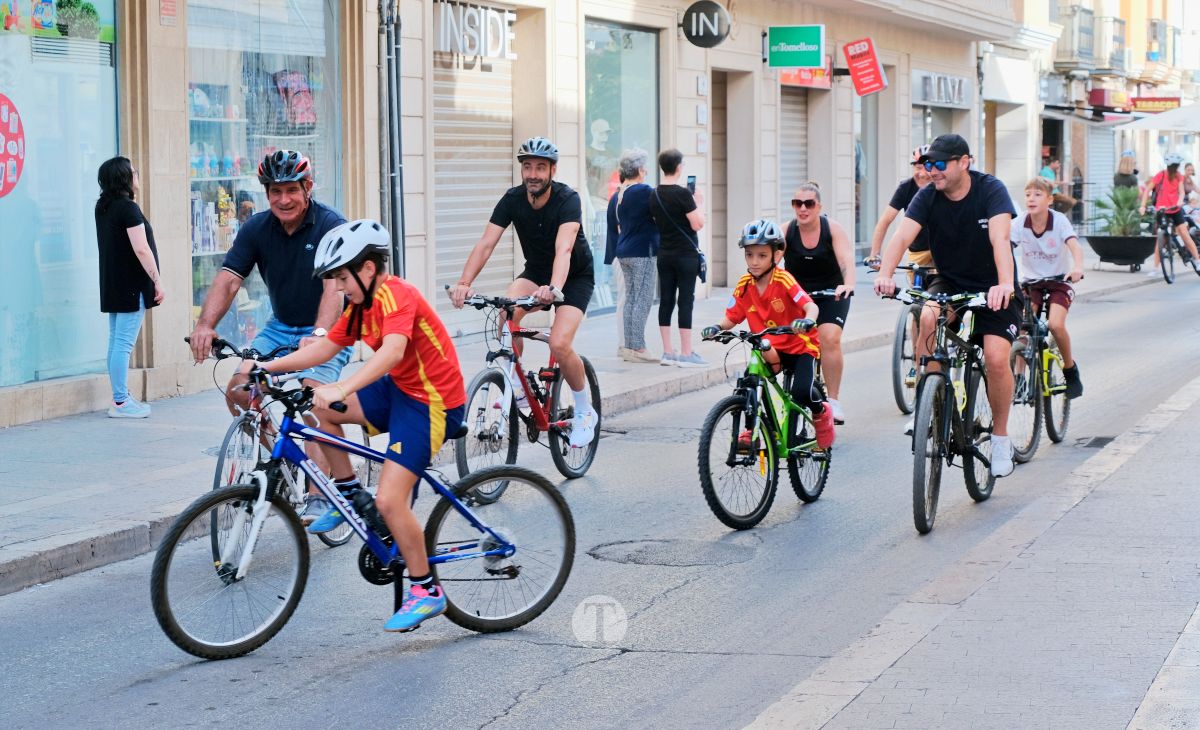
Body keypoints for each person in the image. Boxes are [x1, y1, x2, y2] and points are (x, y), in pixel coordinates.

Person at [256, 219, 466, 632]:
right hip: (401, 391)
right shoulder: (360, 306)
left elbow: (391, 351)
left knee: (390, 501)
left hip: (433, 402)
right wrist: (266, 368)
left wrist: (343, 385)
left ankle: (426, 590)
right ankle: (351, 496)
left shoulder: (397, 295)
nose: (336, 287)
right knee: (321, 412)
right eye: (332, 278)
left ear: (367, 269)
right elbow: (324, 348)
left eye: (340, 276)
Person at [188, 149, 351, 518]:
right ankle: (283, 453)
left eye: (291, 190)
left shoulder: (330, 225)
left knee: (313, 399)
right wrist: (205, 325)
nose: (283, 199)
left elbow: (334, 289)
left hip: (328, 328)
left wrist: (321, 333)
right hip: (279, 327)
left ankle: (318, 492)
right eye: (274, 191)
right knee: (239, 387)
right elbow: (230, 280)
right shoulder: (257, 228)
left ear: (307, 187)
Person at [873, 133, 1020, 479]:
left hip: (993, 285)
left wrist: (1005, 284)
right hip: (951, 280)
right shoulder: (927, 196)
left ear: (963, 162)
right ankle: (931, 398)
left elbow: (1000, 239)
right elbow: (902, 236)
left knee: (997, 357)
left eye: (940, 164)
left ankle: (1000, 438)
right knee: (927, 315)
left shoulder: (990, 190)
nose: (932, 171)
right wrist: (885, 274)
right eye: (928, 164)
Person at [447, 137, 599, 448]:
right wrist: (464, 283)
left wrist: (554, 289)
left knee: (559, 343)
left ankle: (585, 411)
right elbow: (486, 243)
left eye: (540, 168)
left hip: (573, 276)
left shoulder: (567, 199)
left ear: (552, 170)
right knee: (507, 310)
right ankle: (515, 384)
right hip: (536, 273)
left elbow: (565, 247)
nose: (532, 174)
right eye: (527, 167)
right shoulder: (513, 199)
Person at [700, 219, 834, 449]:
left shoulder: (783, 280)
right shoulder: (744, 284)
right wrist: (717, 328)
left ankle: (822, 411)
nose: (754, 261)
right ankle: (751, 429)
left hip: (799, 346)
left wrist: (807, 320)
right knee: (749, 380)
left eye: (761, 255)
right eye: (749, 254)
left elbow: (811, 306)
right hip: (768, 347)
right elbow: (732, 317)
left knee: (801, 392)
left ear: (776, 255)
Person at [866, 144, 936, 408]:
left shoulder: (939, 187)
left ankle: (943, 344)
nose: (921, 172)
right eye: (917, 166)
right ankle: (918, 362)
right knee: (917, 305)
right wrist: (875, 254)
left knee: (939, 302)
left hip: (940, 255)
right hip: (917, 255)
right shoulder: (906, 188)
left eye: (925, 166)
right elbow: (885, 221)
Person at [95, 156, 164, 418]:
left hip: (114, 284)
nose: (137, 175)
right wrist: (157, 280)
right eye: (133, 171)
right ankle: (121, 402)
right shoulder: (128, 209)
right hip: (132, 285)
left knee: (115, 342)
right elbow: (141, 249)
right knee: (122, 344)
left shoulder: (103, 207)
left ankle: (120, 398)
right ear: (124, 177)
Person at [781, 182, 854, 425]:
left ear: (818, 206)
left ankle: (832, 401)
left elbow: (846, 260)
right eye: (797, 204)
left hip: (830, 295)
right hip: (799, 298)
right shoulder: (787, 231)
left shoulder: (832, 229)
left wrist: (848, 284)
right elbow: (769, 260)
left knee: (829, 338)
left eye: (808, 204)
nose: (802, 209)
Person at [1012, 177, 1084, 399]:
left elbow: (1074, 246)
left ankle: (1070, 370)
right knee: (1024, 328)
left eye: (1037, 194)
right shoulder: (1020, 222)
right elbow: (1004, 249)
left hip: (1059, 281)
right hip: (1031, 283)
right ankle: (1019, 378)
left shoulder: (1059, 221)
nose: (1031, 199)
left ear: (1049, 199)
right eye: (1028, 194)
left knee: (1054, 324)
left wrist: (1078, 268)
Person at [649, 148, 707, 368]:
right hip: (685, 255)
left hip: (665, 254)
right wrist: (698, 202)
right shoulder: (684, 194)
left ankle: (667, 352)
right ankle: (685, 352)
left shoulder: (654, 194)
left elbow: (656, 221)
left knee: (666, 300)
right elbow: (697, 224)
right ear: (680, 167)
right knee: (685, 300)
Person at [605, 148, 660, 363]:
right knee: (643, 299)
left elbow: (612, 225)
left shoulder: (618, 194)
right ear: (638, 169)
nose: (646, 171)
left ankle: (628, 346)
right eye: (644, 168)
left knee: (630, 299)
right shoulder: (644, 191)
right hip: (642, 252)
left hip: (623, 252)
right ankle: (638, 347)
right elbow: (661, 212)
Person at [1139, 152, 1200, 275]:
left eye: (1176, 166)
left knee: (1184, 234)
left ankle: (1198, 261)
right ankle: (1155, 268)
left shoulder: (1178, 176)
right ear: (1168, 166)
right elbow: (1147, 191)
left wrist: (1179, 200)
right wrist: (1143, 206)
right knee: (1160, 240)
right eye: (1173, 166)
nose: (1174, 169)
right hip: (1161, 210)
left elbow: (1181, 191)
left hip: (1176, 209)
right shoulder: (1160, 176)